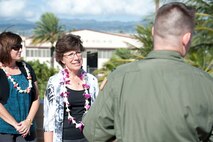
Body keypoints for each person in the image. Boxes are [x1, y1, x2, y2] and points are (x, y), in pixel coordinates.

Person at [82, 2, 213, 142]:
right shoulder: (207, 84)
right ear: (186, 38)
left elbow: (93, 132)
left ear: (152, 32)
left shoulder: (120, 78)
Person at [43, 34, 99, 142]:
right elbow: (48, 120)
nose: (76, 57)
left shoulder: (91, 81)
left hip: (88, 138)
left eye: (78, 52)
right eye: (70, 54)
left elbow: (98, 113)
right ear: (62, 59)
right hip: (63, 138)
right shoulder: (54, 82)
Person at [0, 31, 40, 142]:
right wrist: (15, 124)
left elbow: (36, 98)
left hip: (28, 131)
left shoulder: (26, 68)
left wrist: (28, 121)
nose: (20, 50)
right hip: (4, 132)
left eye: (20, 46)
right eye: (16, 47)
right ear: (6, 49)